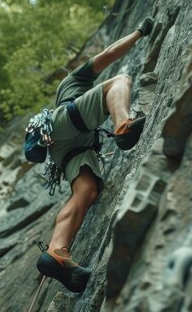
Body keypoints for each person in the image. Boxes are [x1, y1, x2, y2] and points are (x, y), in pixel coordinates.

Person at [36, 17, 154, 293]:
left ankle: (56, 251)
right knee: (120, 80)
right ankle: (123, 124)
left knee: (86, 192)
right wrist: (139, 31)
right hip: (67, 120)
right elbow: (108, 54)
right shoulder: (73, 80)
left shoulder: (75, 101)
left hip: (68, 148)